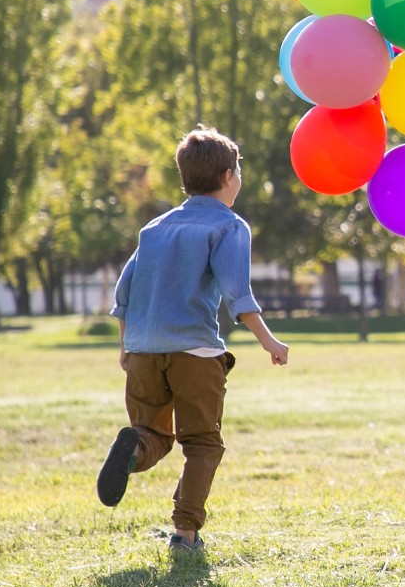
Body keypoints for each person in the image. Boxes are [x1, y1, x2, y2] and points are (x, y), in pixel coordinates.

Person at [98, 125, 290, 552]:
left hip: (144, 350)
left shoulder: (155, 228)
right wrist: (270, 342)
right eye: (238, 170)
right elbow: (238, 295)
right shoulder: (228, 226)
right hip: (195, 352)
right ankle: (185, 533)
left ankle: (134, 447)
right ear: (227, 177)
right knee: (202, 443)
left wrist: (125, 346)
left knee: (153, 435)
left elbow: (123, 293)